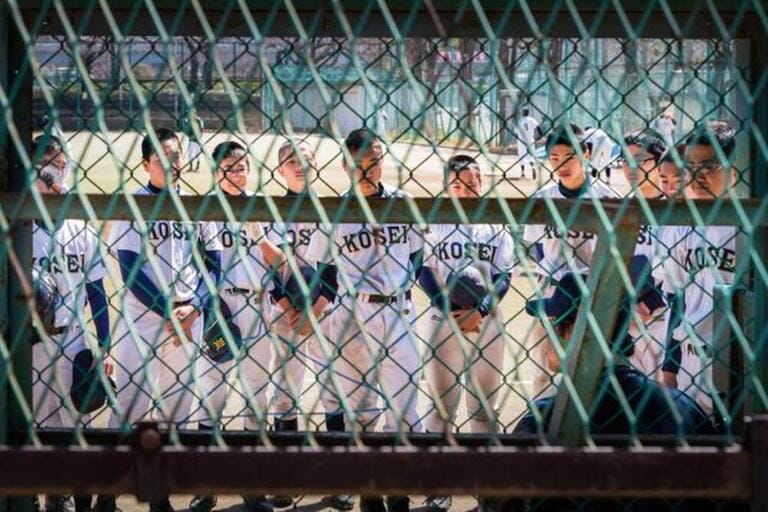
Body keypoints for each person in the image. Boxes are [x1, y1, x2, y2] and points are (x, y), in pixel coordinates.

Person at [305, 128, 423, 512]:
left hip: (400, 311)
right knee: (361, 410)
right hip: (353, 314)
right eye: (363, 162)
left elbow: (418, 255)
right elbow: (321, 269)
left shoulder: (402, 201)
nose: (372, 167)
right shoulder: (335, 212)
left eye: (377, 158)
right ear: (346, 165)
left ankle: (399, 492)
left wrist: (407, 283)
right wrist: (314, 309)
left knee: (404, 409)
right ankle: (370, 494)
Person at [107, 128, 222, 512]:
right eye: (162, 158)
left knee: (179, 409)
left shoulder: (196, 204)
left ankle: (161, 497)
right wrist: (168, 311)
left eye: (176, 156)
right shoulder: (133, 203)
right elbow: (129, 269)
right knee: (129, 406)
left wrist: (195, 306)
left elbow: (214, 265)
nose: (172, 163)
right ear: (145, 164)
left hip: (190, 316)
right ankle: (104, 493)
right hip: (142, 317)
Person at [188, 141, 284, 512]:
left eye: (243, 167)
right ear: (215, 172)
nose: (239, 173)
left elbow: (280, 262)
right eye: (230, 167)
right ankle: (206, 484)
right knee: (211, 396)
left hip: (258, 305)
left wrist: (258, 233)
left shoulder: (262, 204)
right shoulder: (206, 208)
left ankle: (252, 486)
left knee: (256, 395)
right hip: (220, 304)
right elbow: (196, 264)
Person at [417, 154, 515, 512]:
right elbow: (422, 269)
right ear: (446, 186)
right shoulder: (437, 220)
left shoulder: (495, 224)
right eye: (457, 185)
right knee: (443, 406)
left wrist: (483, 308)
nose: (465, 190)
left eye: (471, 184)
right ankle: (438, 487)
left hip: (486, 322)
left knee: (484, 408)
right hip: (443, 319)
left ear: (482, 182)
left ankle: (486, 489)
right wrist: (448, 307)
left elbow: (506, 274)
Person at [31, 162, 112, 512]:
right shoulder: (17, 231)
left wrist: (105, 345)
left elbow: (97, 293)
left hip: (74, 340)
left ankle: (77, 498)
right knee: (34, 422)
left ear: (59, 193)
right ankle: (40, 496)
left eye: (43, 192)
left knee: (76, 425)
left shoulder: (81, 231)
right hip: (29, 342)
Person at [523, 124, 620, 394]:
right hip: (554, 287)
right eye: (554, 158)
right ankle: (543, 423)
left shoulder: (607, 198)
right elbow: (539, 246)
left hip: (592, 288)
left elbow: (613, 251)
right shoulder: (543, 198)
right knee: (543, 365)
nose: (560, 165)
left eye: (568, 157)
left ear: (586, 154)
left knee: (590, 365)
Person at [658, 121, 739, 416]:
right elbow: (675, 300)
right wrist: (669, 367)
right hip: (693, 359)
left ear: (735, 169)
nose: (697, 176)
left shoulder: (749, 224)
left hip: (744, 358)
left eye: (709, 166)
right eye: (690, 167)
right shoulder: (678, 226)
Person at [619, 129, 669, 377]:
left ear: (659, 160)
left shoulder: (676, 209)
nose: (631, 168)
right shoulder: (619, 208)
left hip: (666, 317)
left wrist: (650, 301)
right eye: (624, 161)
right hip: (627, 318)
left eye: (640, 160)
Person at [514, 108, 540, 179]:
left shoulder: (519, 121)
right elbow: (538, 127)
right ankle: (533, 167)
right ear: (528, 113)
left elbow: (515, 133)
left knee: (521, 155)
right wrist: (541, 135)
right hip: (530, 140)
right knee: (531, 155)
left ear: (522, 113)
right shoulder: (531, 120)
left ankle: (523, 173)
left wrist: (516, 138)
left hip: (521, 141)